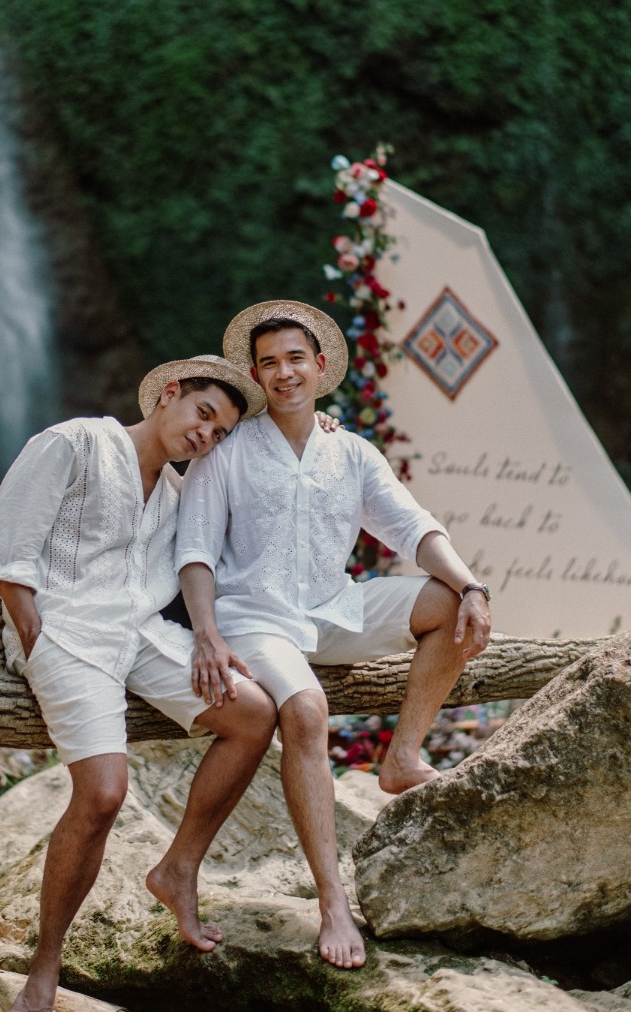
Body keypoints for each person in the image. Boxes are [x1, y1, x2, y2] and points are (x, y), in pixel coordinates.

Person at [175, 302, 492, 971]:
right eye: (268, 363)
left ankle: (402, 758)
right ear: (256, 376)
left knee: (446, 602)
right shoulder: (227, 451)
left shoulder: (349, 451)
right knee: (307, 710)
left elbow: (413, 528)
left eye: (295, 358)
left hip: (333, 609)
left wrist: (471, 587)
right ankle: (333, 902)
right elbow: (196, 551)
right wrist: (205, 633)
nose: (283, 372)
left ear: (320, 367)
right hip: (253, 616)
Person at [0, 355, 275, 1012]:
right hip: (67, 631)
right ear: (169, 395)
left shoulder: (177, 497)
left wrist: (208, 639)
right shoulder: (74, 442)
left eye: (221, 432)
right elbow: (9, 555)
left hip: (137, 634)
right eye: (204, 415)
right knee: (105, 793)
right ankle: (44, 974)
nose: (207, 435)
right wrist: (36, 640)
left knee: (254, 712)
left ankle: (178, 868)